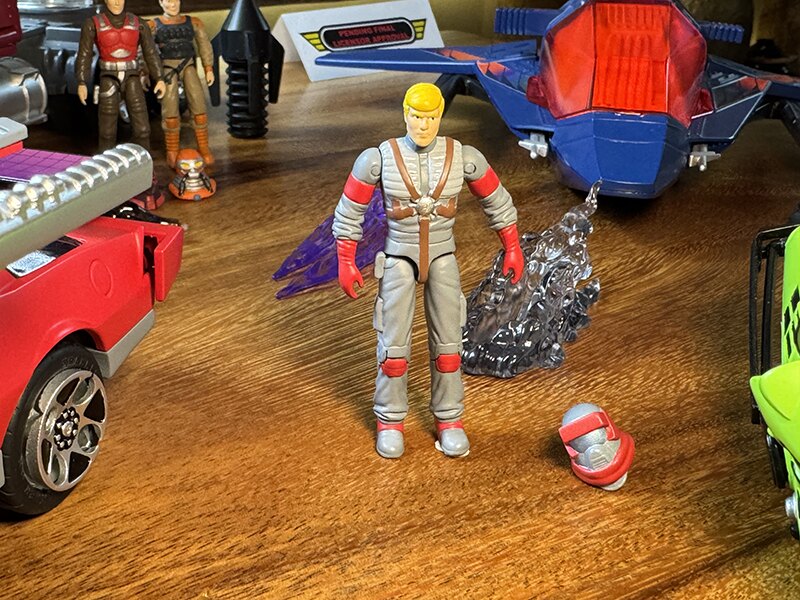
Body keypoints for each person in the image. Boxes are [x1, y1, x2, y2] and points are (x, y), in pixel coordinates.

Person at [332, 83, 524, 459]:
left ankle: (449, 418)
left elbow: (497, 199)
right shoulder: (378, 159)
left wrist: (513, 246)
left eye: (431, 117)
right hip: (398, 258)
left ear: (440, 117)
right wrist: (345, 258)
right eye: (417, 116)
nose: (423, 125)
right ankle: (390, 420)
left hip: (442, 257)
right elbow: (350, 209)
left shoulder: (463, 157)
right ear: (406, 114)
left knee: (450, 348)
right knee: (393, 350)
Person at [76, 0, 166, 151]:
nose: (117, 2)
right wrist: (82, 82)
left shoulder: (138, 23)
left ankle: (144, 161)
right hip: (108, 77)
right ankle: (106, 163)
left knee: (143, 129)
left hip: (132, 76)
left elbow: (150, 52)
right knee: (107, 131)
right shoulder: (93, 24)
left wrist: (159, 78)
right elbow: (85, 54)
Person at [149, 0, 215, 168]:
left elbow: (204, 45)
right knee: (170, 108)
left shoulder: (193, 22)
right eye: (168, 1)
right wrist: (146, 73)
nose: (173, 4)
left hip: (188, 65)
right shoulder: (153, 26)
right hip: (167, 67)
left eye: (176, 0)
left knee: (198, 104)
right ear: (161, 2)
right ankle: (172, 150)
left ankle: (203, 147)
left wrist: (208, 68)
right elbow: (146, 51)